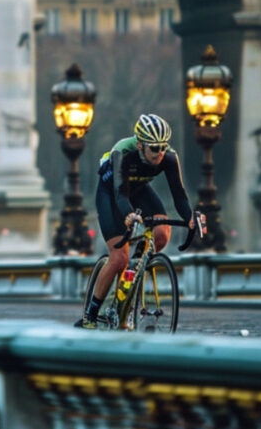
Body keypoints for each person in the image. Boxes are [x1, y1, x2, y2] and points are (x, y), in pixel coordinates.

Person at [77, 114, 201, 329]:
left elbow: (179, 195)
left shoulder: (169, 157)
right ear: (141, 145)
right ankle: (91, 314)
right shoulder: (123, 152)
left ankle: (134, 268)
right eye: (154, 148)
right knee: (118, 257)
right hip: (112, 194)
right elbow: (121, 194)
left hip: (140, 190)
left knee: (161, 234)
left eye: (163, 147)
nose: (160, 153)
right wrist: (129, 214)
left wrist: (190, 217)